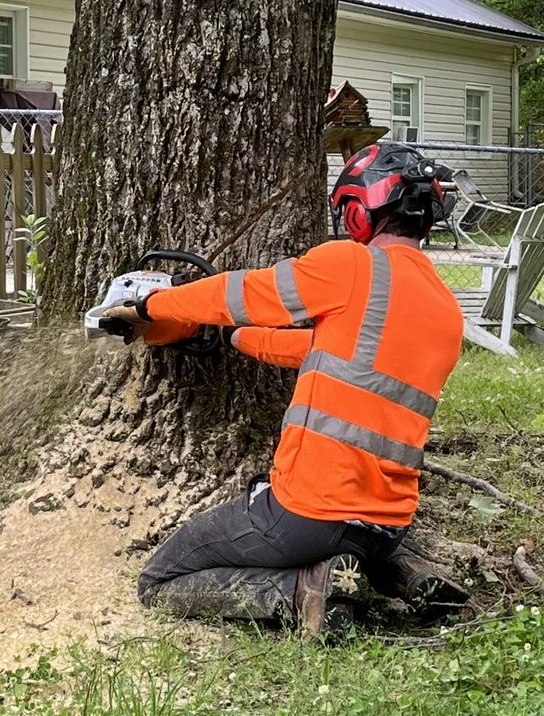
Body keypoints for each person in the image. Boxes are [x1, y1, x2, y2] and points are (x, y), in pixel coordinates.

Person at [107, 144, 466, 635]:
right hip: (387, 526)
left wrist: (156, 305)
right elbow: (315, 348)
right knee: (359, 541)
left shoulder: (351, 265)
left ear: (362, 211)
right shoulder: (446, 311)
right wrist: (231, 336)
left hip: (307, 515)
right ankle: (405, 573)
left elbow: (245, 293)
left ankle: (300, 594)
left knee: (158, 579)